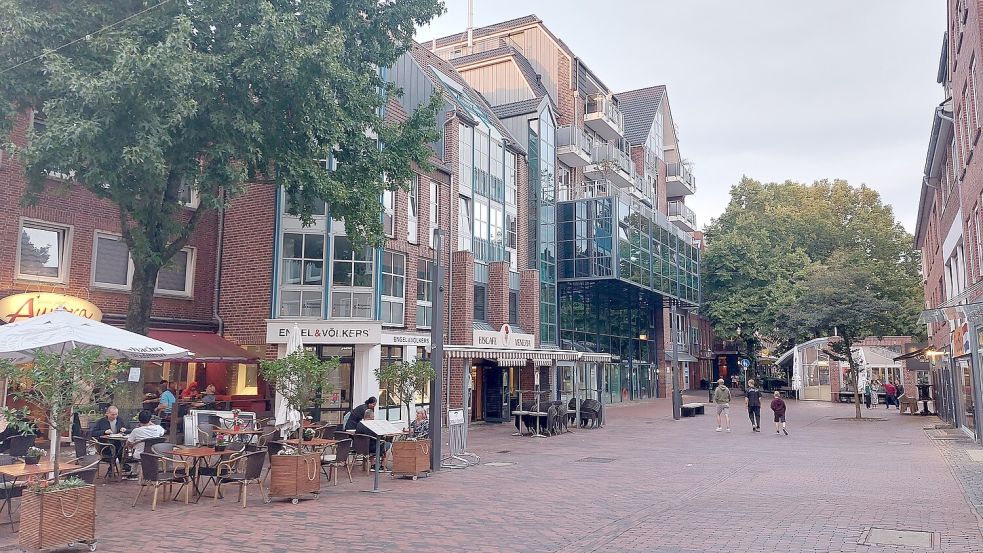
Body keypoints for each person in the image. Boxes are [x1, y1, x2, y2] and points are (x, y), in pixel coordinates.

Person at [125, 410, 165, 474]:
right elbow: (163, 432)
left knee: (128, 450)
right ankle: (134, 472)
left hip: (140, 454)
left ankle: (133, 472)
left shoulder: (136, 431)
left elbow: (128, 443)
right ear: (150, 419)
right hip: (155, 453)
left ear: (139, 419)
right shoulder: (158, 428)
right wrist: (151, 423)